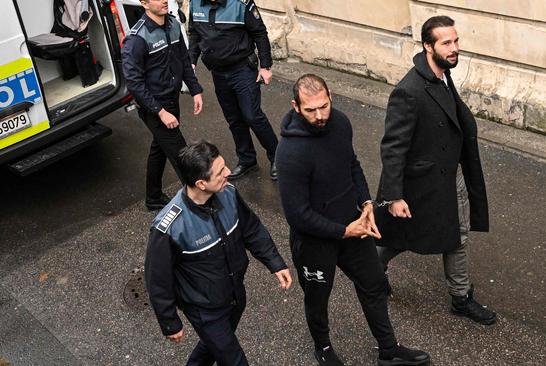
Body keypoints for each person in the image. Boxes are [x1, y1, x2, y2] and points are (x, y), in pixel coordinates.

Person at [275, 74, 430, 366]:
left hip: (353, 225)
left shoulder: (341, 123)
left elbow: (352, 164)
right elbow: (297, 215)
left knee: (374, 285)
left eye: (324, 106)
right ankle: (322, 348)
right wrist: (343, 230)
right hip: (315, 241)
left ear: (330, 96)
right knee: (318, 300)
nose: (320, 116)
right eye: (311, 110)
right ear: (296, 106)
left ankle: (388, 349)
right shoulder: (290, 153)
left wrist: (367, 203)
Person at [374, 15, 496, 325]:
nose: (455, 48)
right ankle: (460, 298)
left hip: (447, 174)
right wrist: (393, 196)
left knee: (452, 235)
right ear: (428, 46)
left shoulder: (441, 73)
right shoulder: (409, 91)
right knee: (416, 236)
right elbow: (393, 147)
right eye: (447, 43)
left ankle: (458, 294)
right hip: (424, 182)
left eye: (456, 41)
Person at [145, 141, 292, 366]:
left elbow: (251, 229)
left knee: (213, 345)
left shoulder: (229, 193)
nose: (228, 173)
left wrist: (275, 262)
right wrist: (169, 321)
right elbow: (158, 279)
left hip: (234, 295)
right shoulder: (170, 228)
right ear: (201, 183)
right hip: (205, 311)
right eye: (220, 172)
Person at [122, 0, 204, 211]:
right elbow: (134, 83)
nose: (165, 0)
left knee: (159, 148)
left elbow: (184, 60)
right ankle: (200, 203)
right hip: (154, 106)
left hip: (171, 99)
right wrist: (160, 112)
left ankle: (153, 197)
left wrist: (195, 89)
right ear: (144, 4)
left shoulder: (173, 24)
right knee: (183, 156)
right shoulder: (136, 38)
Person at [188, 0, 279, 181]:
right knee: (234, 118)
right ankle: (247, 160)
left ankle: (277, 157)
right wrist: (191, 60)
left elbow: (259, 33)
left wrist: (266, 66)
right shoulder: (194, 3)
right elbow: (194, 33)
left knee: (252, 115)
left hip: (242, 69)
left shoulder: (240, 3)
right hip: (218, 72)